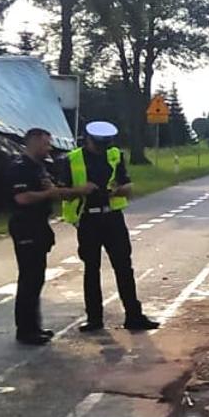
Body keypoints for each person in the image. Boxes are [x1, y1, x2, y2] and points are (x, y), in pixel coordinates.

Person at [58, 121, 160, 332]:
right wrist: (81, 190)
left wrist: (116, 191)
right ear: (88, 140)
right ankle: (94, 319)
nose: (102, 148)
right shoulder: (72, 159)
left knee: (124, 267)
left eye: (105, 144)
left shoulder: (114, 155)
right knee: (91, 270)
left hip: (113, 218)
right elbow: (61, 193)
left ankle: (134, 316)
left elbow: (128, 186)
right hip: (87, 219)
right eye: (98, 144)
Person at [7, 128, 84, 345]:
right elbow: (22, 198)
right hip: (25, 225)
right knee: (29, 279)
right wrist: (49, 194)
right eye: (45, 144)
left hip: (38, 225)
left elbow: (53, 191)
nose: (48, 148)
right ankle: (25, 330)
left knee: (36, 278)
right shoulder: (20, 168)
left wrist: (77, 192)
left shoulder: (39, 167)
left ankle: (34, 326)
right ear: (32, 142)